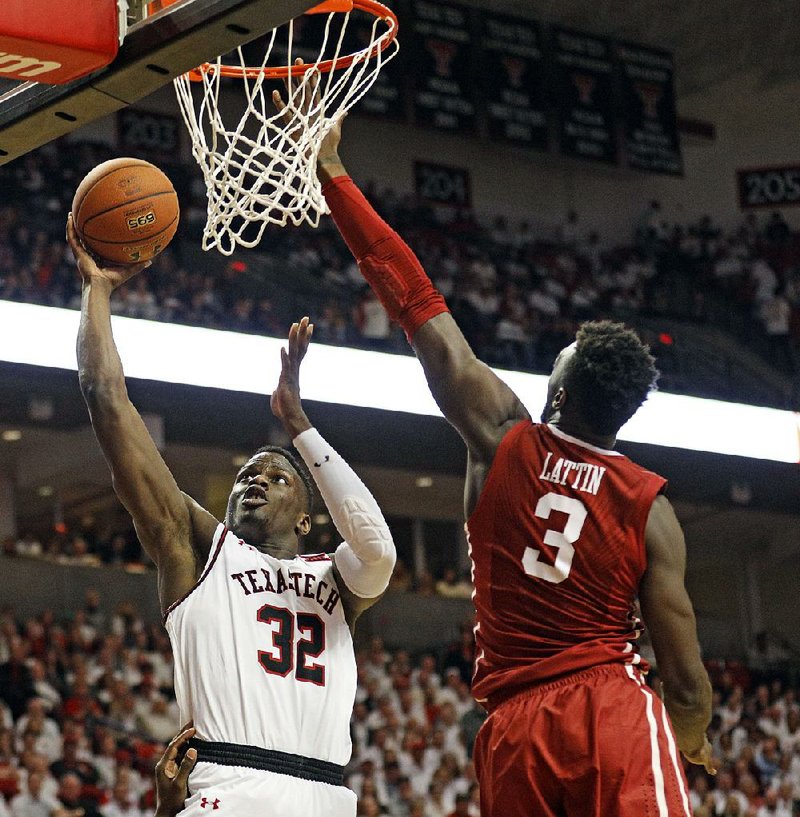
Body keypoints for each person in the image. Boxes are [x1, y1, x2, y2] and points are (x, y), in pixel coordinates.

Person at [309, 112, 714, 815]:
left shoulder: (501, 435)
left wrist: (334, 176)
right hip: (610, 709)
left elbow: (414, 301)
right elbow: (684, 680)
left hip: (514, 723)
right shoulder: (651, 506)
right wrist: (692, 737)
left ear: (558, 390)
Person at [67, 216, 396, 817]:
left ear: (305, 520)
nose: (254, 482)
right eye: (246, 475)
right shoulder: (200, 551)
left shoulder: (339, 581)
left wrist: (301, 428)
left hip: (327, 796)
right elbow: (105, 398)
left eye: (278, 477)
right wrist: (97, 290)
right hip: (232, 785)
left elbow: (378, 547)